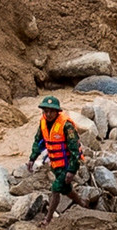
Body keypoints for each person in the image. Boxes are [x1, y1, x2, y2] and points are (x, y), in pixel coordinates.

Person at [28, 96, 85, 226]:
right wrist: (32, 158)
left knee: (56, 188)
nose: (48, 114)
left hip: (67, 163)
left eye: (51, 111)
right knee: (65, 188)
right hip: (55, 163)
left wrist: (72, 170)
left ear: (57, 112)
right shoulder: (43, 123)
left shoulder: (67, 126)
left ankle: (48, 219)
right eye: (45, 111)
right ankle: (82, 203)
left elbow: (75, 150)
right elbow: (38, 142)